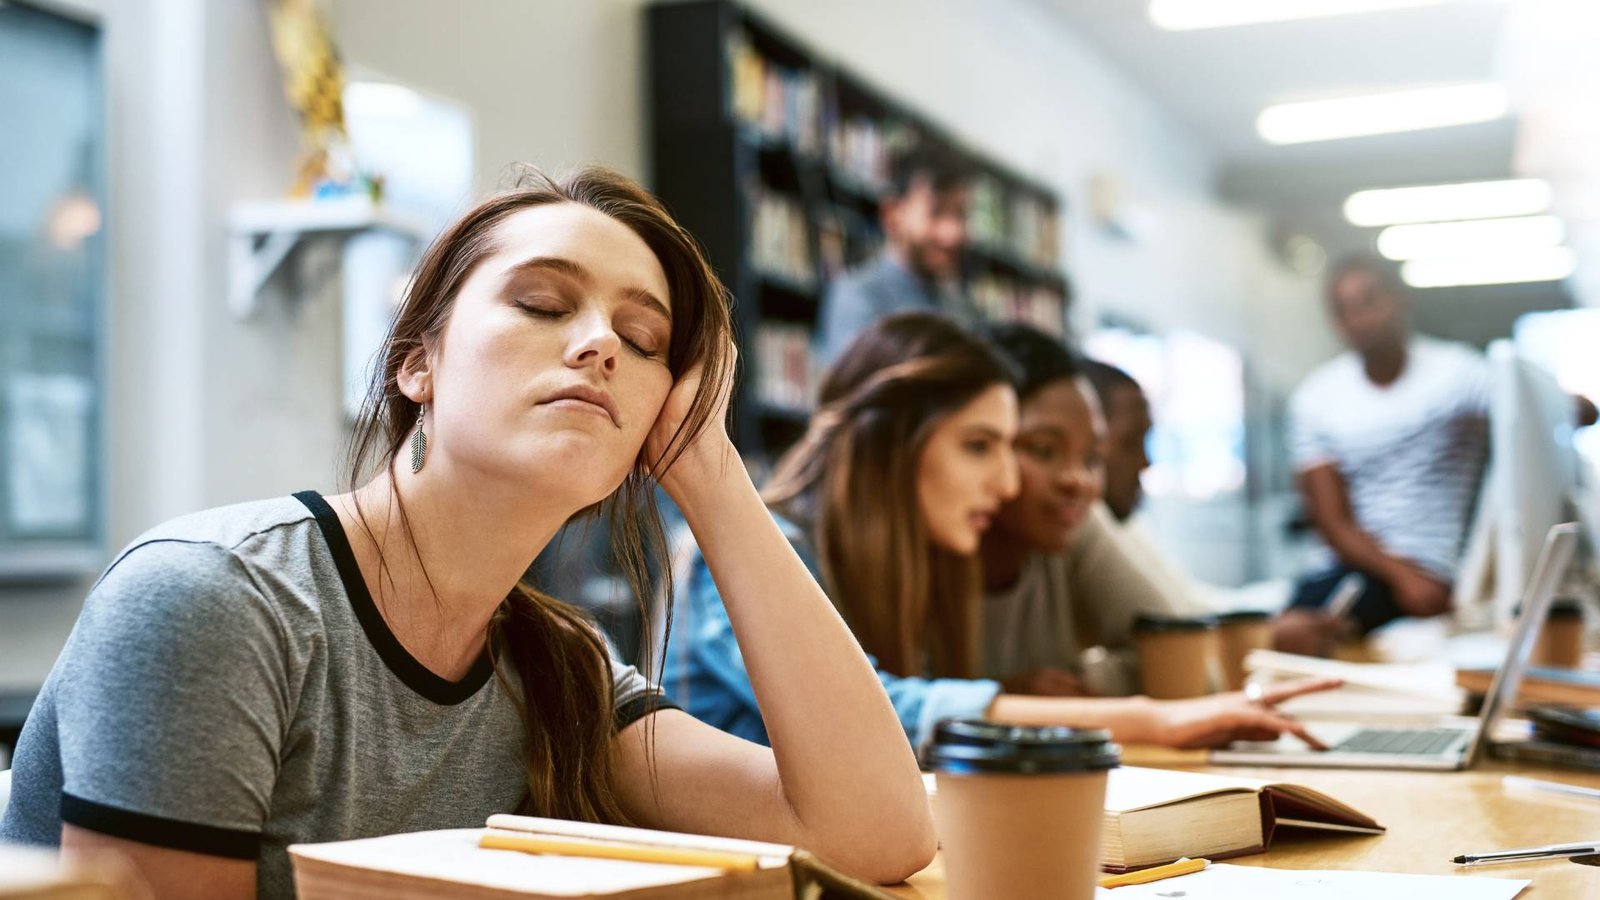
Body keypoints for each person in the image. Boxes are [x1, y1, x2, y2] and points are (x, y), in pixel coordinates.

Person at [0, 168, 935, 898]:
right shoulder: (212, 601)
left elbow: (877, 831)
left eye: (646, 341)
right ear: (419, 365)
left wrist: (715, 477)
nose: (601, 344)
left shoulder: (558, 668)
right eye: (541, 304)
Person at [664, 313, 1337, 752]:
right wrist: (1148, 719)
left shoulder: (920, 558)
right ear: (890, 444)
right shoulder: (747, 552)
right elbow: (871, 717)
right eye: (980, 446)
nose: (1008, 483)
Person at [1276, 256, 1492, 654]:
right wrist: (1402, 577)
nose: (1357, 319)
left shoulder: (1461, 375)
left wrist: (1565, 407)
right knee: (1290, 634)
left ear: (1400, 299)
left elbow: (1536, 411)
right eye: (1343, 311)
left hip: (1438, 569)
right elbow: (1332, 522)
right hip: (1362, 570)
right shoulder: (1317, 397)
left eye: (1368, 302)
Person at [815, 142, 977, 361]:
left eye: (961, 215)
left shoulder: (964, 311)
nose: (952, 233)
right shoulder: (857, 298)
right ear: (892, 215)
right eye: (936, 212)